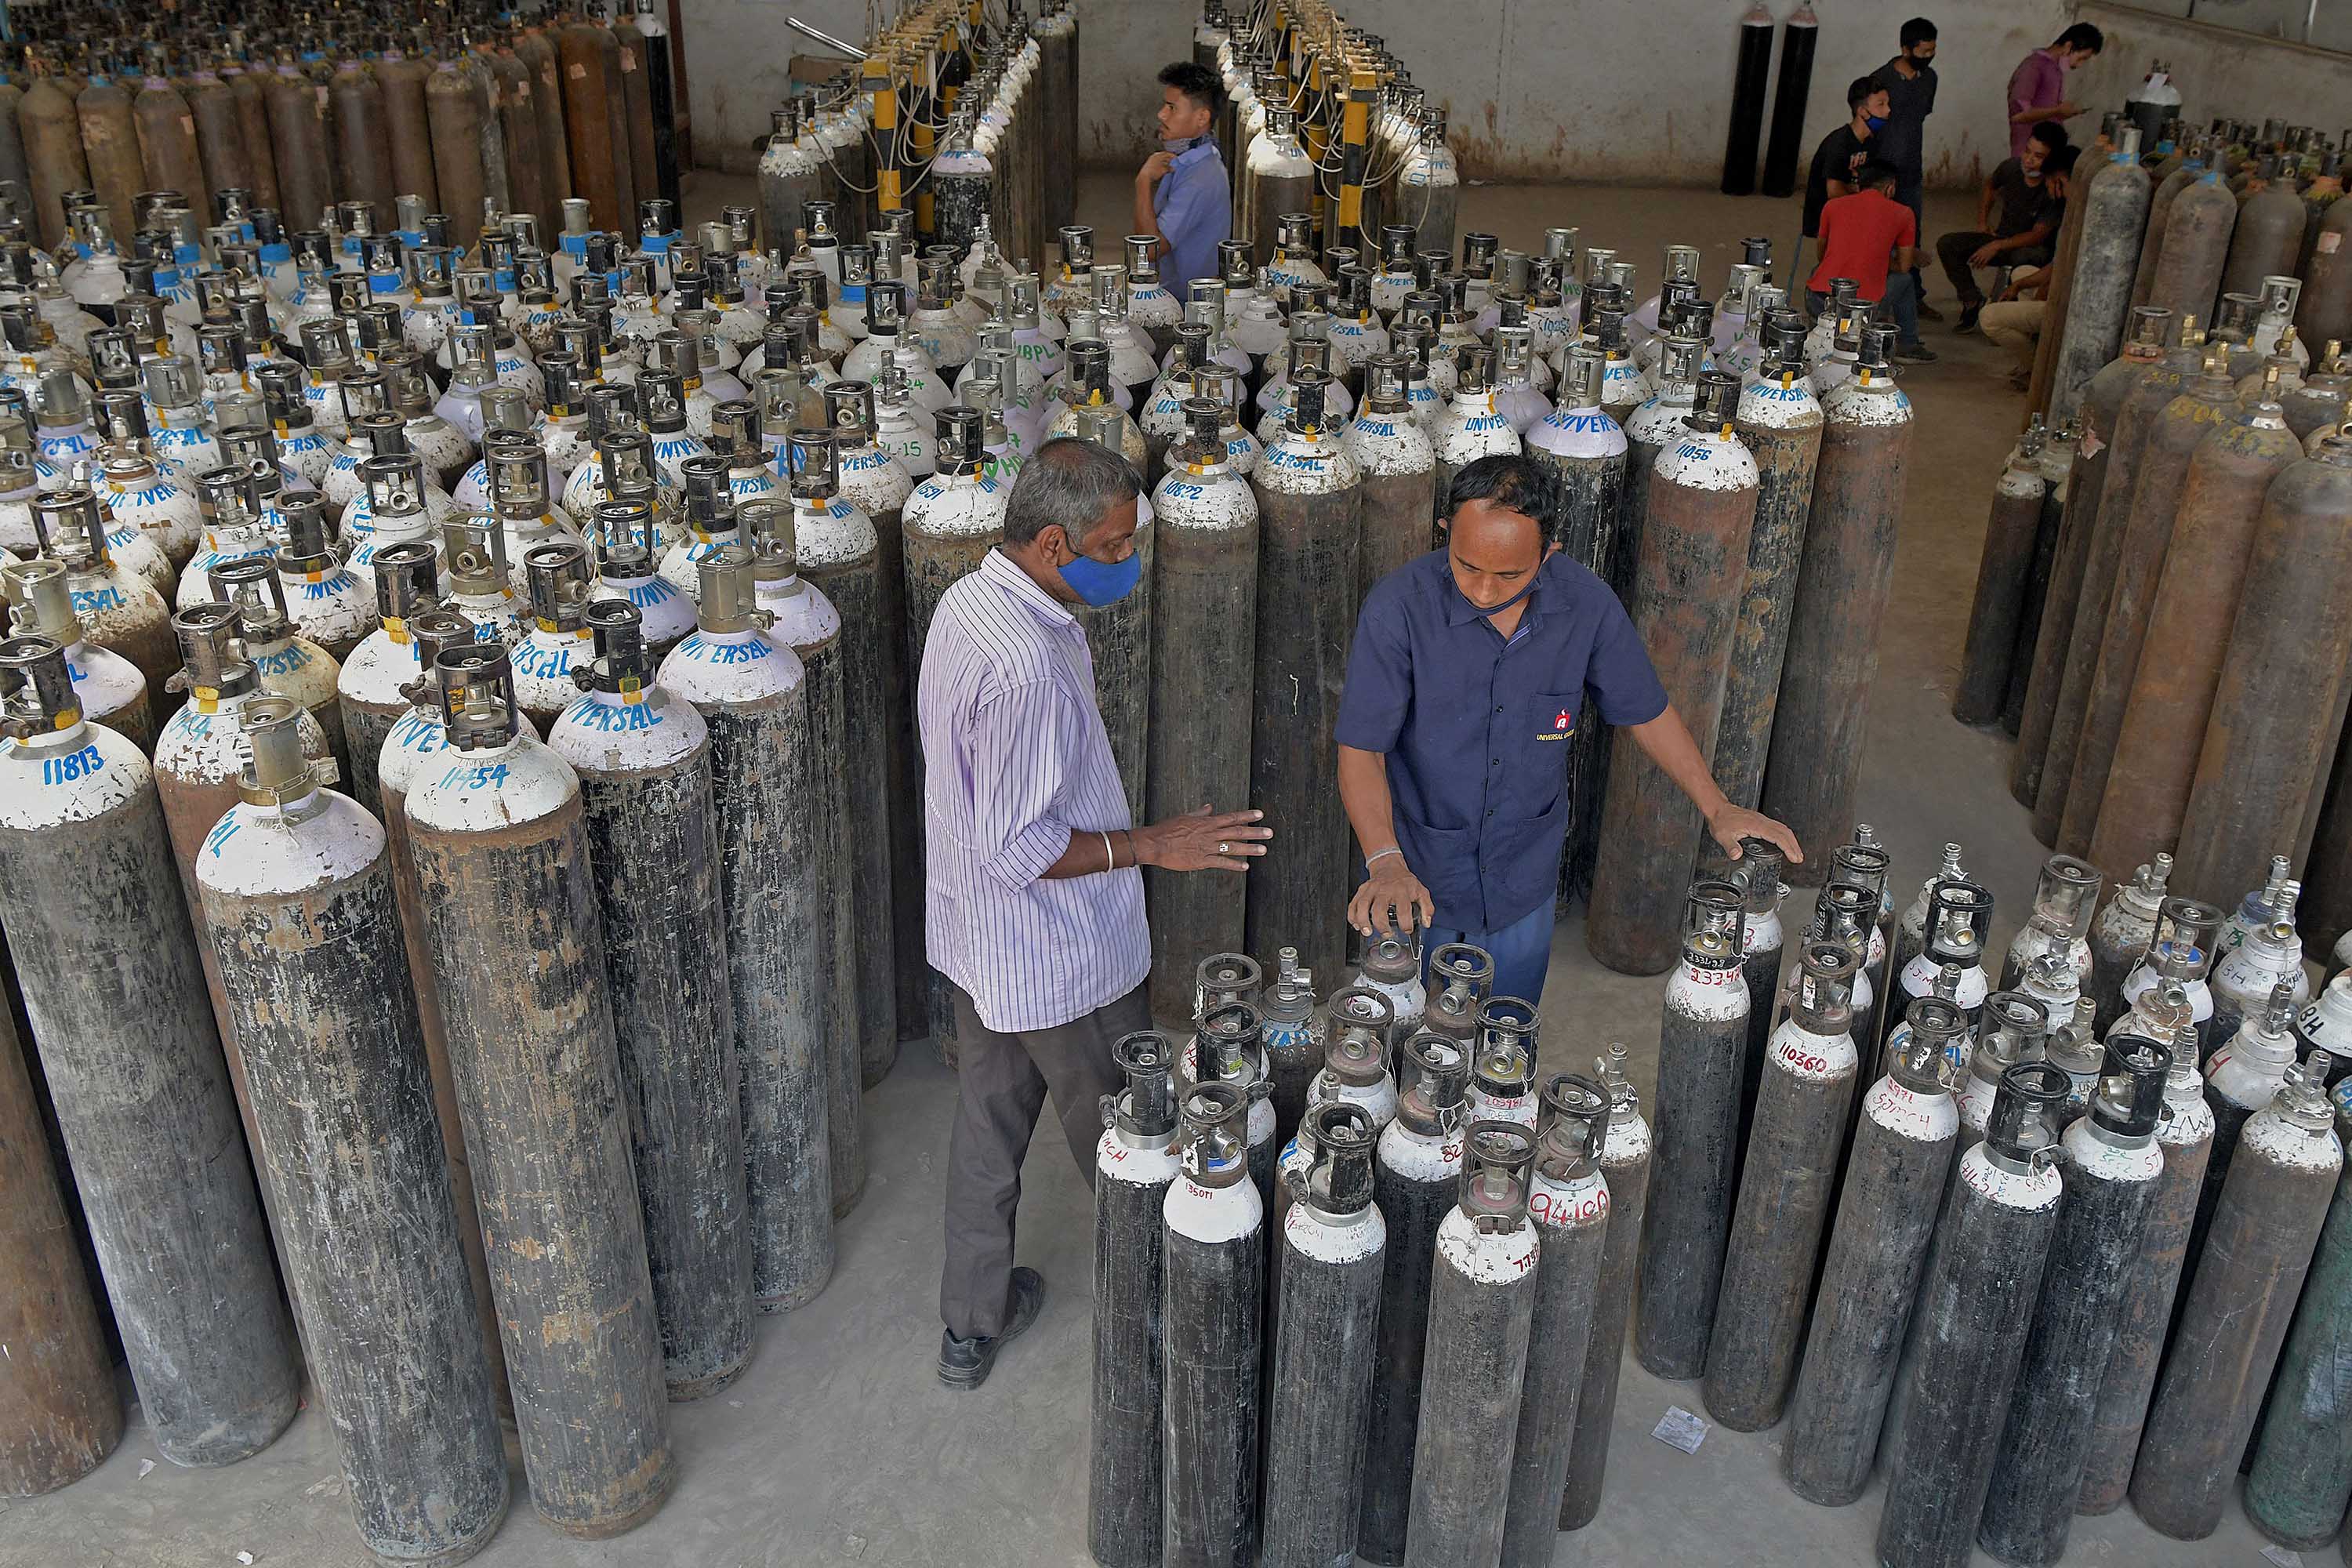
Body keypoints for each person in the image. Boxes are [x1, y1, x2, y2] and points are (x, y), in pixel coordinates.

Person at [920, 437, 1269, 1389]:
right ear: (1049, 540)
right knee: (1130, 1139)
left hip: (979, 946)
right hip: (1055, 960)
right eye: (1113, 548)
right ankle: (1170, 1315)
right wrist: (1153, 844)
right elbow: (1021, 846)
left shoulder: (971, 600)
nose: (1128, 563)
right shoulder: (1026, 665)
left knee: (987, 1128)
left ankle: (971, 1322)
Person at [1334, 456, 1802, 1005]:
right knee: (1411, 1047)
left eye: (1509, 574)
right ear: (1446, 535)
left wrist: (1717, 806)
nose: (1484, 590)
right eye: (1466, 566)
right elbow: (1362, 748)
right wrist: (1384, 860)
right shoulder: (1399, 609)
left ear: (1549, 550)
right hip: (1416, 877)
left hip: (1521, 876)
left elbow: (1644, 711)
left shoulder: (1586, 606)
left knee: (1508, 1040)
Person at [1939, 122, 2067, 333]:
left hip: (2034, 252)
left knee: (2022, 258)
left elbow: (2038, 235)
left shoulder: (2053, 189)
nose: (2029, 160)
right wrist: (1983, 222)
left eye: (2039, 156)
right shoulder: (2010, 168)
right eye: (2027, 151)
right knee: (1948, 244)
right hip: (2001, 239)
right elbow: (1990, 185)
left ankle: (2010, 314)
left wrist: (1998, 245)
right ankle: (1972, 301)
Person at [1808, 158, 1936, 362]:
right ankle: (1908, 345)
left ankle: (1816, 331)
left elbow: (1822, 254)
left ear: (1859, 184)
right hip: (1861, 309)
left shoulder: (1833, 205)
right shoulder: (1903, 213)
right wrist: (1880, 260)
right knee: (1905, 280)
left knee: (1819, 269)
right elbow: (1903, 266)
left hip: (1819, 300)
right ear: (1890, 187)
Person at [1980, 145, 2080, 388]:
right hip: (2066, 291)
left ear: (2059, 181)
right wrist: (2023, 285)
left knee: (1990, 318)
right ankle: (2036, 351)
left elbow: (2057, 270)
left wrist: (2032, 290)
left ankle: (2039, 369)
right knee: (2020, 273)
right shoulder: (2078, 209)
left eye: (2048, 183)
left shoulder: (2078, 217)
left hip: (2071, 307)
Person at [1134, 62, 1229, 292]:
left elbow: (1150, 250)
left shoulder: (1200, 178)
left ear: (1201, 118)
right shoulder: (1190, 158)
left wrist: (1143, 181)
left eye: (1172, 107)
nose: (1161, 114)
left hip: (1186, 305)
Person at [1800, 75, 1890, 292]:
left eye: (1888, 104)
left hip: (1853, 211)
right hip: (1827, 216)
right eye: (1881, 105)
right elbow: (1834, 192)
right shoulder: (1839, 143)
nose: (1888, 111)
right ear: (1862, 112)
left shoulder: (1872, 142)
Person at [1879, 19, 1940, 318]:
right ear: (1905, 49)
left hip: (1911, 172)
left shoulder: (1930, 80)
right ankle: (1876, 295)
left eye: (1932, 51)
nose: (1928, 57)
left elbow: (1921, 116)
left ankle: (1913, 298)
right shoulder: (1881, 81)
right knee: (1881, 236)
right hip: (1883, 175)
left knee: (1911, 237)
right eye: (1923, 51)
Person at [2007, 22, 2103, 159]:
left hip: (2045, 155)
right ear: (2069, 46)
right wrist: (2057, 111)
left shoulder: (2054, 70)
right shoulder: (2033, 67)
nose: (2080, 64)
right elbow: (2019, 115)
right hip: (2027, 155)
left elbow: (2043, 111)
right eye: (2082, 58)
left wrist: (2063, 113)